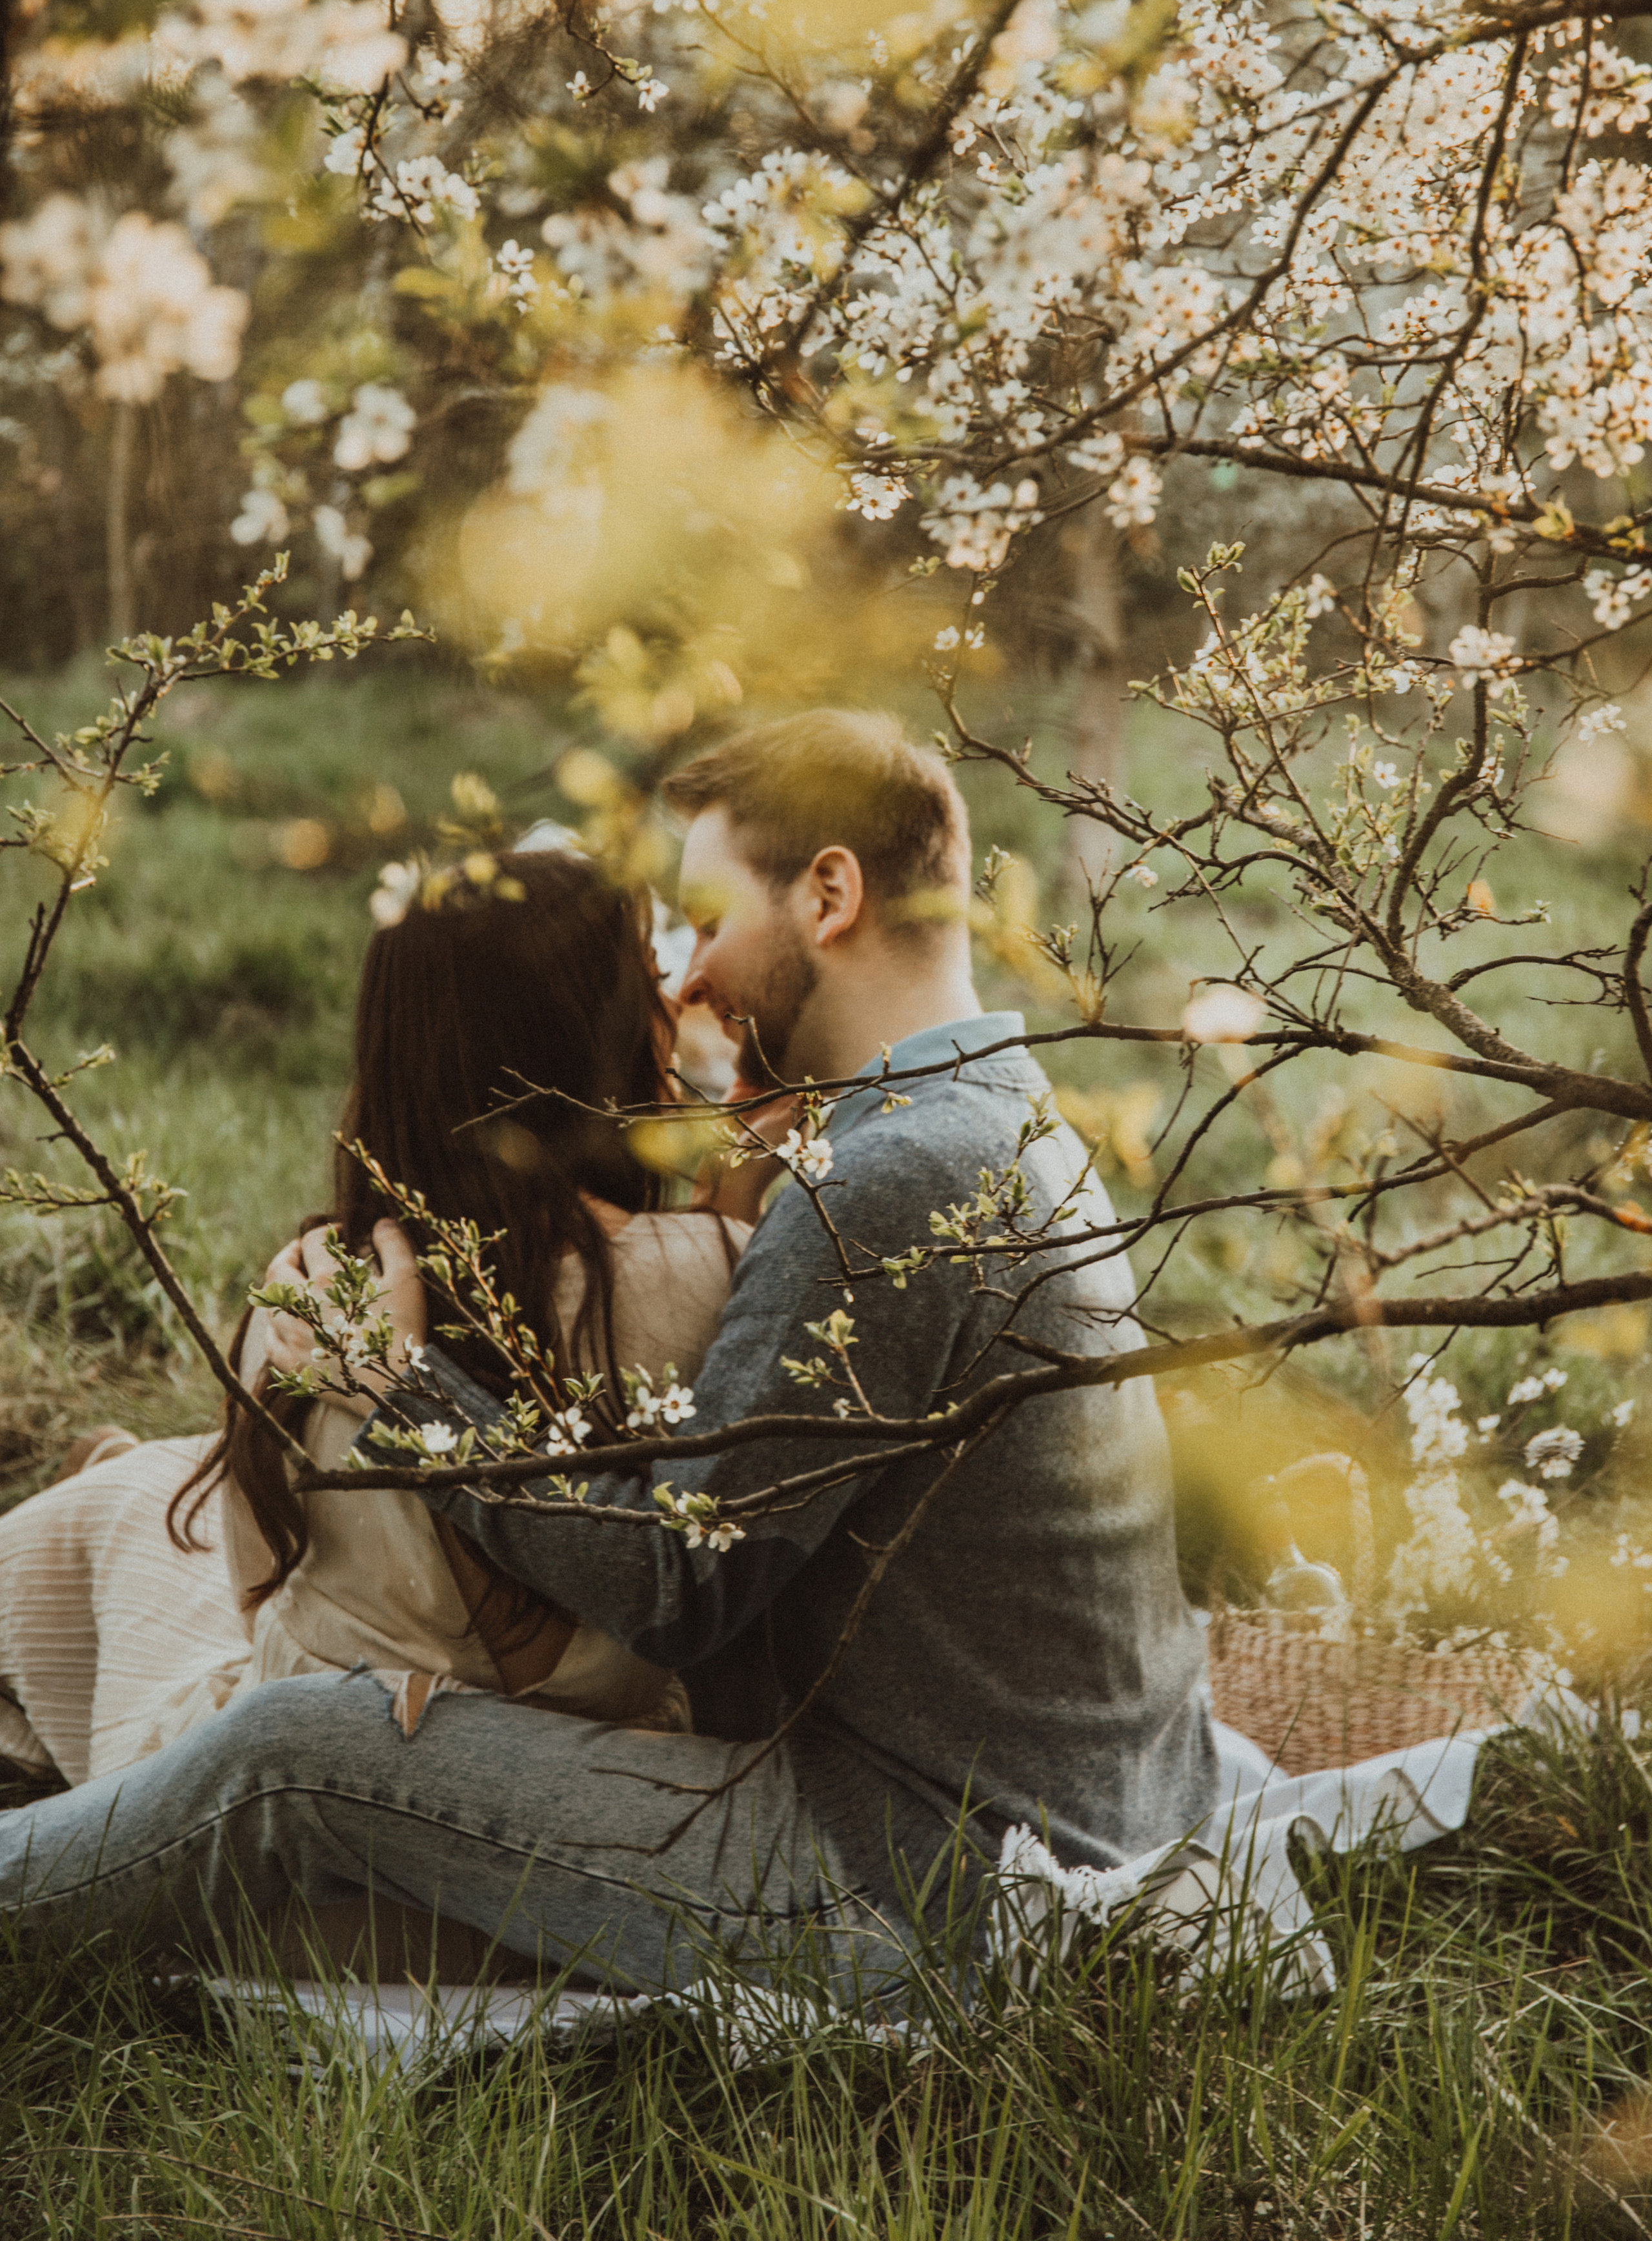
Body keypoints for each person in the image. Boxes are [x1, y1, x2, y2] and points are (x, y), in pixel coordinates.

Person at [0, 710, 1217, 1995]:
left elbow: (679, 1585)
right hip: (1041, 1813)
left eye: (705, 918)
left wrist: (405, 1386)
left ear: (829, 891)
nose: (686, 979)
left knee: (297, 1749)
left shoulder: (886, 1180)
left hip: (913, 1884)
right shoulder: (1000, 1115)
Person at [0, 847, 748, 1794]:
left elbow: (258, 1596)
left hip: (274, 1815)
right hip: (574, 1808)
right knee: (149, 1498)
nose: (679, 1000)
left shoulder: (313, 1300)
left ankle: (95, 1515)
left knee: (133, 1529)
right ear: (590, 1040)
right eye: (651, 981)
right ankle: (112, 1482)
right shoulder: (715, 1276)